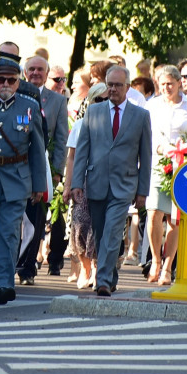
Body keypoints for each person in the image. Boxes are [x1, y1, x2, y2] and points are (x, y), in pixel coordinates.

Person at [0, 55, 46, 305]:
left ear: (18, 82)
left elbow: (37, 148)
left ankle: (4, 284)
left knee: (9, 233)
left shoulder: (29, 106)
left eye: (11, 80)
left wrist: (39, 186)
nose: (5, 84)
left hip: (17, 178)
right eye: (0, 79)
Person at [70, 67, 152, 296]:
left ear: (127, 87)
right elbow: (82, 151)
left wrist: (142, 191)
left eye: (118, 85)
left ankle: (103, 280)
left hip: (124, 185)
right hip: (96, 182)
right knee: (99, 233)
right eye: (110, 85)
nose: (113, 89)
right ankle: (111, 276)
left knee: (113, 232)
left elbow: (145, 157)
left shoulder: (140, 115)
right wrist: (77, 183)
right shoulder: (93, 112)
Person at [147, 64, 187, 285]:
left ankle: (167, 266)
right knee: (154, 212)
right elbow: (147, 134)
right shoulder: (152, 106)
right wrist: (160, 149)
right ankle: (155, 259)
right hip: (157, 163)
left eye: (170, 84)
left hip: (183, 165)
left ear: (178, 84)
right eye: (162, 84)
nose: (166, 88)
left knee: (175, 217)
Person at [25, 55, 70, 276]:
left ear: (46, 73)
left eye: (40, 70)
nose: (35, 73)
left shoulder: (57, 100)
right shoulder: (16, 92)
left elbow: (61, 139)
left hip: (43, 170)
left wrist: (56, 172)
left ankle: (28, 268)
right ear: (25, 72)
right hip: (15, 167)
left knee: (37, 219)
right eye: (31, 69)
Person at [63, 84, 108, 288]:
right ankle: (85, 267)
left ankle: (98, 270)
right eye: (98, 100)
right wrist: (69, 185)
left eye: (106, 99)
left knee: (100, 228)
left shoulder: (116, 123)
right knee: (80, 227)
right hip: (83, 182)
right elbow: (71, 157)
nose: (102, 104)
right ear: (90, 101)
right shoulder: (81, 124)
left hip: (106, 182)